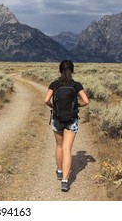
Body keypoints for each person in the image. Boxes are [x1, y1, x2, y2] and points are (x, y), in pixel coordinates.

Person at [44, 60, 90, 192]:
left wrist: (52, 106)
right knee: (67, 149)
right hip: (72, 119)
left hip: (57, 118)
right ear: (72, 70)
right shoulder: (76, 85)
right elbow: (86, 101)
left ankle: (59, 171)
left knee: (59, 146)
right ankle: (65, 180)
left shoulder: (54, 84)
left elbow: (46, 100)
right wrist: (77, 106)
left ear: (60, 70)